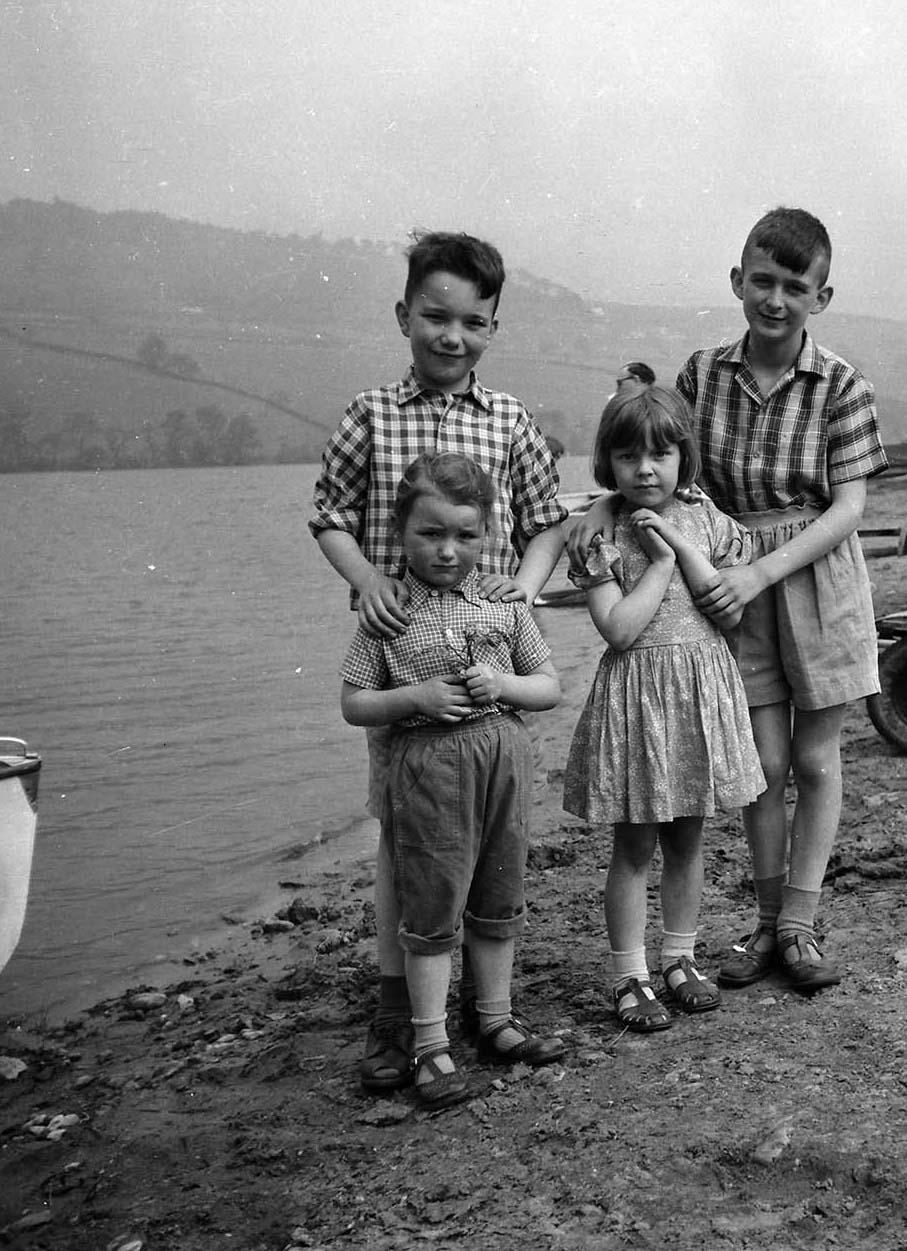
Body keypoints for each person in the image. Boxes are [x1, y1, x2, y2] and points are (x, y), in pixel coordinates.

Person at [570, 206, 889, 997]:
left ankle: (799, 925)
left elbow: (848, 509)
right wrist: (605, 514)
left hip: (810, 574)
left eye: (794, 286)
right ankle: (764, 914)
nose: (774, 298)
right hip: (719, 569)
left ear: (822, 295)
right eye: (761, 280)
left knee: (813, 759)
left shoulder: (842, 385)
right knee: (760, 761)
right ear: (737, 280)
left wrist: (759, 573)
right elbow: (663, 468)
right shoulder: (703, 372)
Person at [310, 231, 568, 1092]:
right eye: (434, 317)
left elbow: (547, 522)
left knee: (475, 842)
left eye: (471, 322)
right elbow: (329, 512)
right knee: (401, 835)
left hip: (482, 655)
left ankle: (473, 1010)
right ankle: (401, 1013)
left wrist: (522, 593)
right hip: (399, 650)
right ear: (403, 314)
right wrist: (365, 579)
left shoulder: (508, 419)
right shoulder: (369, 412)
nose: (450, 336)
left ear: (492, 327)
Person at [340, 452, 566, 1108]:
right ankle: (430, 1040)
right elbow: (354, 702)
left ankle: (494, 1017)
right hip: (427, 770)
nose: (447, 550)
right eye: (429, 534)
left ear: (488, 533)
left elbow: (548, 686)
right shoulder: (385, 613)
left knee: (499, 893)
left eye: (465, 536)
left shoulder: (503, 602)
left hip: (502, 762)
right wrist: (415, 697)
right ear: (398, 530)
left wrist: (501, 684)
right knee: (431, 904)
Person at [563, 385, 765, 1032]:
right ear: (607, 463)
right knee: (632, 846)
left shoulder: (703, 518)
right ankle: (630, 974)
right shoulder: (600, 536)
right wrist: (654, 564)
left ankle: (678, 959)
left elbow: (719, 595)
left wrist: (678, 541)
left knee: (687, 837)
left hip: (697, 692)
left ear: (684, 457)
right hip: (638, 698)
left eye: (660, 454)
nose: (644, 469)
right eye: (627, 456)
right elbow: (619, 631)